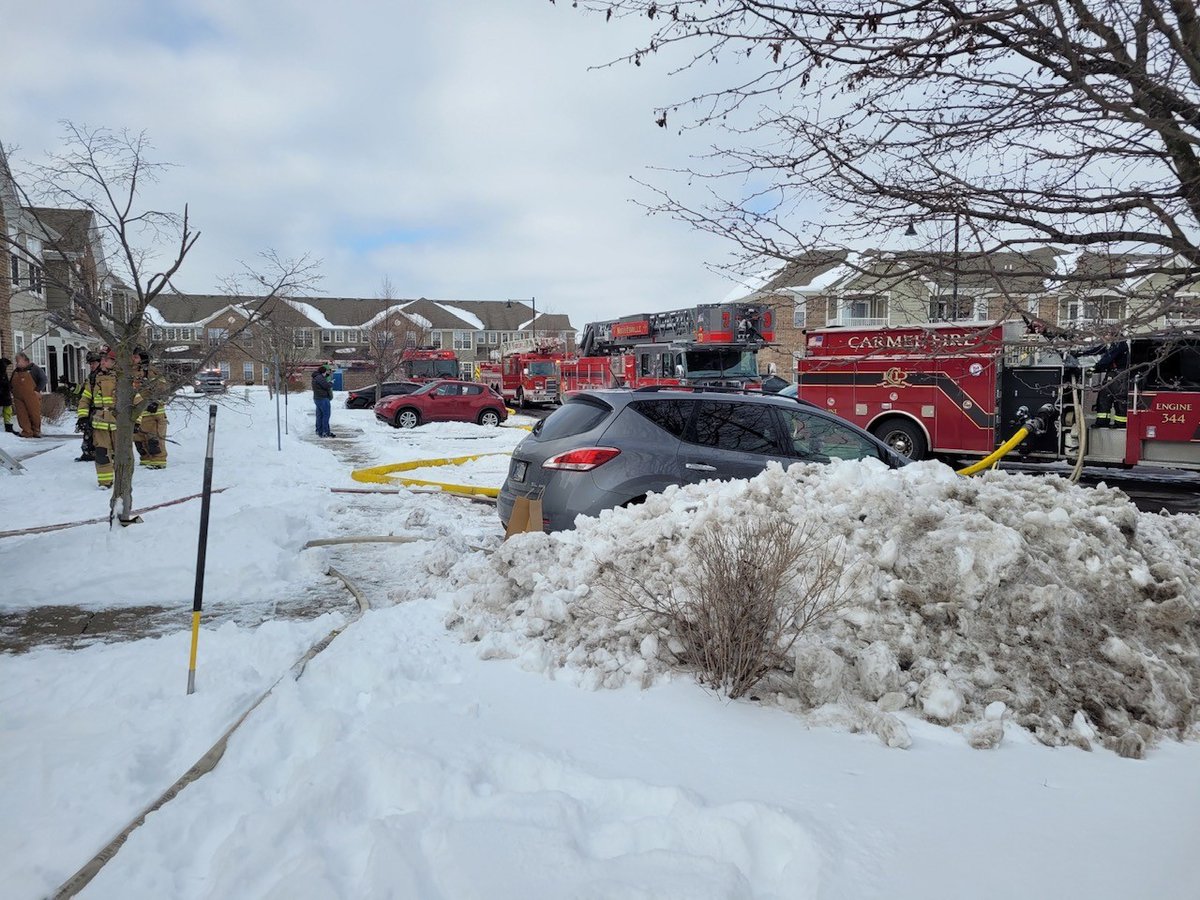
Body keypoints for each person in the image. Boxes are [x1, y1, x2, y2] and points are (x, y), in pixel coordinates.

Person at [77, 348, 119, 488]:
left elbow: (135, 400)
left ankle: (122, 481)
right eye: (102, 360)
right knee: (101, 453)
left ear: (114, 362)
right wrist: (82, 417)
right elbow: (85, 398)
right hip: (99, 422)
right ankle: (104, 482)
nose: (102, 362)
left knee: (121, 454)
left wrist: (136, 422)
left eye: (106, 360)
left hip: (118, 422)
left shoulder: (123, 378)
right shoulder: (94, 379)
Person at [132, 349, 169, 468]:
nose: (133, 359)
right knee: (140, 441)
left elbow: (162, 388)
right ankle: (146, 460)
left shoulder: (153, 371)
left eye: (136, 357)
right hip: (139, 413)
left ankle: (158, 462)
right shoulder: (133, 372)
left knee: (154, 441)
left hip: (154, 414)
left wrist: (155, 401)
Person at [1084, 340, 1130, 428]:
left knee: (1119, 398)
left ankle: (1121, 423)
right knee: (1103, 397)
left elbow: (1107, 359)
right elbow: (1097, 350)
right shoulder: (1112, 344)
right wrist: (1080, 353)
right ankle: (1102, 422)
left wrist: (1093, 369)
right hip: (1111, 373)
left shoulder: (1119, 344)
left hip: (1120, 374)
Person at [74, 351, 103, 461]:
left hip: (103, 411)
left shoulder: (105, 377)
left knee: (101, 435)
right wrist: (83, 417)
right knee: (88, 432)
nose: (91, 366)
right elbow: (85, 396)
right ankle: (88, 453)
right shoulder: (91, 377)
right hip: (92, 410)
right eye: (90, 364)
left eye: (94, 363)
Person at [10, 352, 46, 438]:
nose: (17, 363)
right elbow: (11, 382)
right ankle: (27, 431)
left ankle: (36, 430)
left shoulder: (34, 369)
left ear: (26, 361)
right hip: (18, 397)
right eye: (16, 361)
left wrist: (37, 390)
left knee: (34, 413)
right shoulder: (15, 371)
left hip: (32, 395)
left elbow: (43, 379)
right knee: (22, 415)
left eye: (18, 361)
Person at [311, 364, 335, 438]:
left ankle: (319, 431)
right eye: (325, 372)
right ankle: (325, 432)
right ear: (323, 372)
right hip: (323, 399)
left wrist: (328, 375)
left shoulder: (316, 377)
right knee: (326, 415)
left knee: (319, 415)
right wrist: (331, 383)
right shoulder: (319, 378)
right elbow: (326, 386)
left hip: (317, 399)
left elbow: (323, 383)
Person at [0, 357, 13, 433]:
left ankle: (8, 427)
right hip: (3, 395)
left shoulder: (4, 373)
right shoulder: (2, 373)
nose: (6, 367)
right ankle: (8, 427)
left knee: (7, 411)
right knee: (6, 411)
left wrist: (9, 387)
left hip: (6, 395)